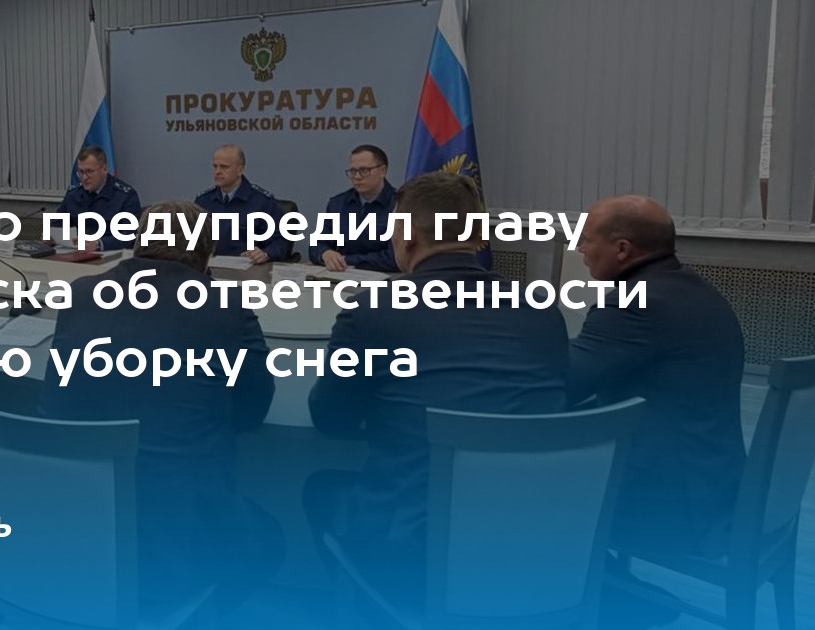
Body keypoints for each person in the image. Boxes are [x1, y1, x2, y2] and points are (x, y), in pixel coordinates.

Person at [303, 172, 568, 611]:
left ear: (406, 235)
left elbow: (330, 418)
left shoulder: (376, 308)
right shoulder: (541, 309)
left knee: (321, 489)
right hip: (537, 539)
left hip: (417, 547)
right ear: (478, 235)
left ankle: (378, 611)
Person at [38, 200, 284, 612]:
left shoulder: (80, 294)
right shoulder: (226, 305)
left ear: (138, 243)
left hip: (74, 524)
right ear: (204, 255)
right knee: (271, 541)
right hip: (176, 537)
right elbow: (253, 409)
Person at [569, 195, 745, 559]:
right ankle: (607, 580)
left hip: (673, 505)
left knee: (527, 481)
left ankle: (595, 587)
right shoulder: (689, 287)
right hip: (713, 481)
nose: (580, 249)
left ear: (622, 249)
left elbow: (566, 384)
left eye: (586, 239)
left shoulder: (633, 303)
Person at [193, 144, 291, 262]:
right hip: (209, 267)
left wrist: (266, 253)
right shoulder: (203, 201)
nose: (217, 172)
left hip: (248, 267)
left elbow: (281, 242)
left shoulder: (262, 202)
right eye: (215, 166)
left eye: (224, 167)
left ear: (240, 170)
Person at [309, 144, 398, 272]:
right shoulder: (338, 203)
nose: (357, 177)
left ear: (383, 171)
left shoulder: (401, 204)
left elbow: (394, 258)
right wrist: (325, 253)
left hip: (385, 277)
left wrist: (346, 260)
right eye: (353, 171)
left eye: (364, 170)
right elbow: (316, 244)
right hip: (342, 274)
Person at [56, 145, 141, 251]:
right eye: (81, 172)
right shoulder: (73, 194)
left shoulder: (126, 196)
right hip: (75, 251)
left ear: (104, 169)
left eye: (89, 171)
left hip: (110, 253)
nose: (84, 177)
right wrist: (50, 237)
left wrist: (99, 244)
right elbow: (57, 225)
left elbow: (129, 237)